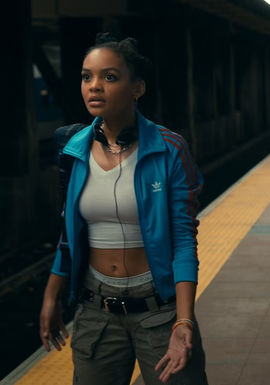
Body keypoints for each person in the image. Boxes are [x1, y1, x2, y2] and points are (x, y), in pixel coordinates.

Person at [38, 33, 208, 385]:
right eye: (87, 77)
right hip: (95, 311)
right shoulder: (72, 150)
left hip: (159, 311)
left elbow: (182, 240)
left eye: (109, 77)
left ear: (137, 88)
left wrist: (183, 320)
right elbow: (68, 235)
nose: (94, 87)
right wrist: (52, 296)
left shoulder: (169, 149)